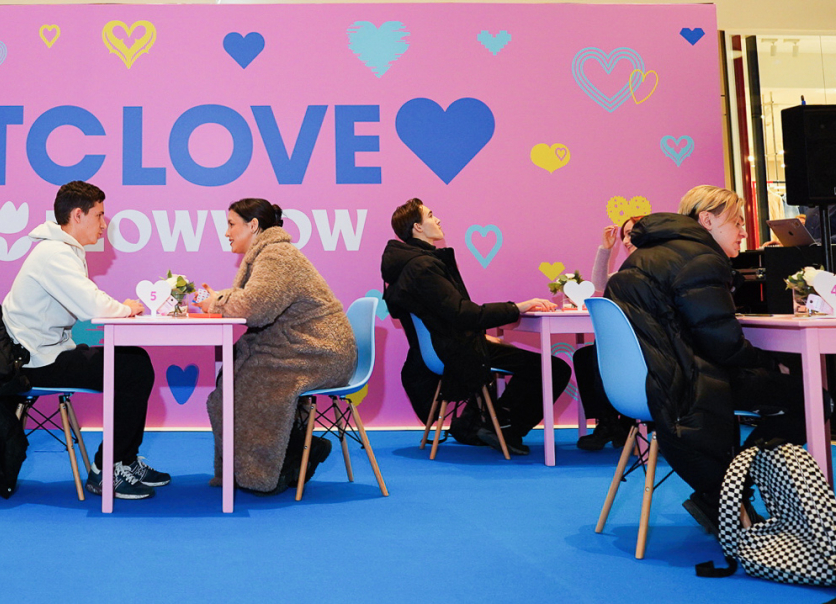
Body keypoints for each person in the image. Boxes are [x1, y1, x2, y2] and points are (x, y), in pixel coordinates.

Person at [606, 185, 807, 535]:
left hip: (651, 383)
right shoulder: (700, 259)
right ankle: (730, 491)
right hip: (684, 385)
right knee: (811, 399)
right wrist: (772, 361)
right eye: (737, 222)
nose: (744, 232)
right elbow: (723, 345)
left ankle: (721, 494)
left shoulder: (648, 254)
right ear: (707, 220)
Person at [1, 181, 165, 500]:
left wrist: (120, 308)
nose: (104, 224)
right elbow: (92, 305)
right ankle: (107, 469)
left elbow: (87, 299)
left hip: (47, 353)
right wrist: (126, 308)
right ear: (78, 215)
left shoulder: (63, 250)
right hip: (34, 362)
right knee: (133, 367)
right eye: (99, 216)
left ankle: (124, 460)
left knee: (134, 359)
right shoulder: (54, 253)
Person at [382, 198, 568, 455]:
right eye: (431, 215)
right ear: (418, 227)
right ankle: (502, 427)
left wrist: (481, 336)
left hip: (443, 348)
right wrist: (517, 307)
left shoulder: (408, 265)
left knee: (524, 361)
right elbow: (463, 313)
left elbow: (446, 316)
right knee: (554, 368)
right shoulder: (423, 267)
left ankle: (478, 424)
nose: (438, 219)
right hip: (455, 351)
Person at [197, 198, 356, 494]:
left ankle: (266, 470)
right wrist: (218, 298)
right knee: (231, 378)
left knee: (251, 382)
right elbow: (256, 301)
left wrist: (216, 301)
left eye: (231, 224)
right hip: (302, 348)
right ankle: (283, 456)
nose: (227, 232)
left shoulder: (277, 255)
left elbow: (255, 308)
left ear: (253, 225)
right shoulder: (270, 253)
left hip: (319, 352)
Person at [570, 216, 640, 451]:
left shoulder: (654, 269)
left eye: (632, 234)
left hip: (647, 346)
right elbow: (600, 284)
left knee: (600, 354)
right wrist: (605, 249)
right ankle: (608, 423)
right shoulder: (626, 271)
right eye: (625, 235)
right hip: (626, 345)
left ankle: (627, 423)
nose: (627, 241)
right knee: (585, 356)